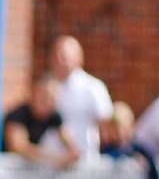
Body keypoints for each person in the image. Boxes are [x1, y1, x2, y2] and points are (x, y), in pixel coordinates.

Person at [48, 35, 112, 164]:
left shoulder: (93, 87)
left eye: (64, 56)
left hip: (82, 162)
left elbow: (106, 125)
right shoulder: (46, 87)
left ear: (79, 58)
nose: (59, 60)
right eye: (55, 55)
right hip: (51, 162)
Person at [2, 74, 80, 168]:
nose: (49, 102)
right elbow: (19, 147)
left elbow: (68, 141)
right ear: (33, 93)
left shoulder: (54, 116)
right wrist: (56, 159)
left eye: (53, 98)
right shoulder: (17, 115)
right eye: (45, 97)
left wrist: (73, 154)